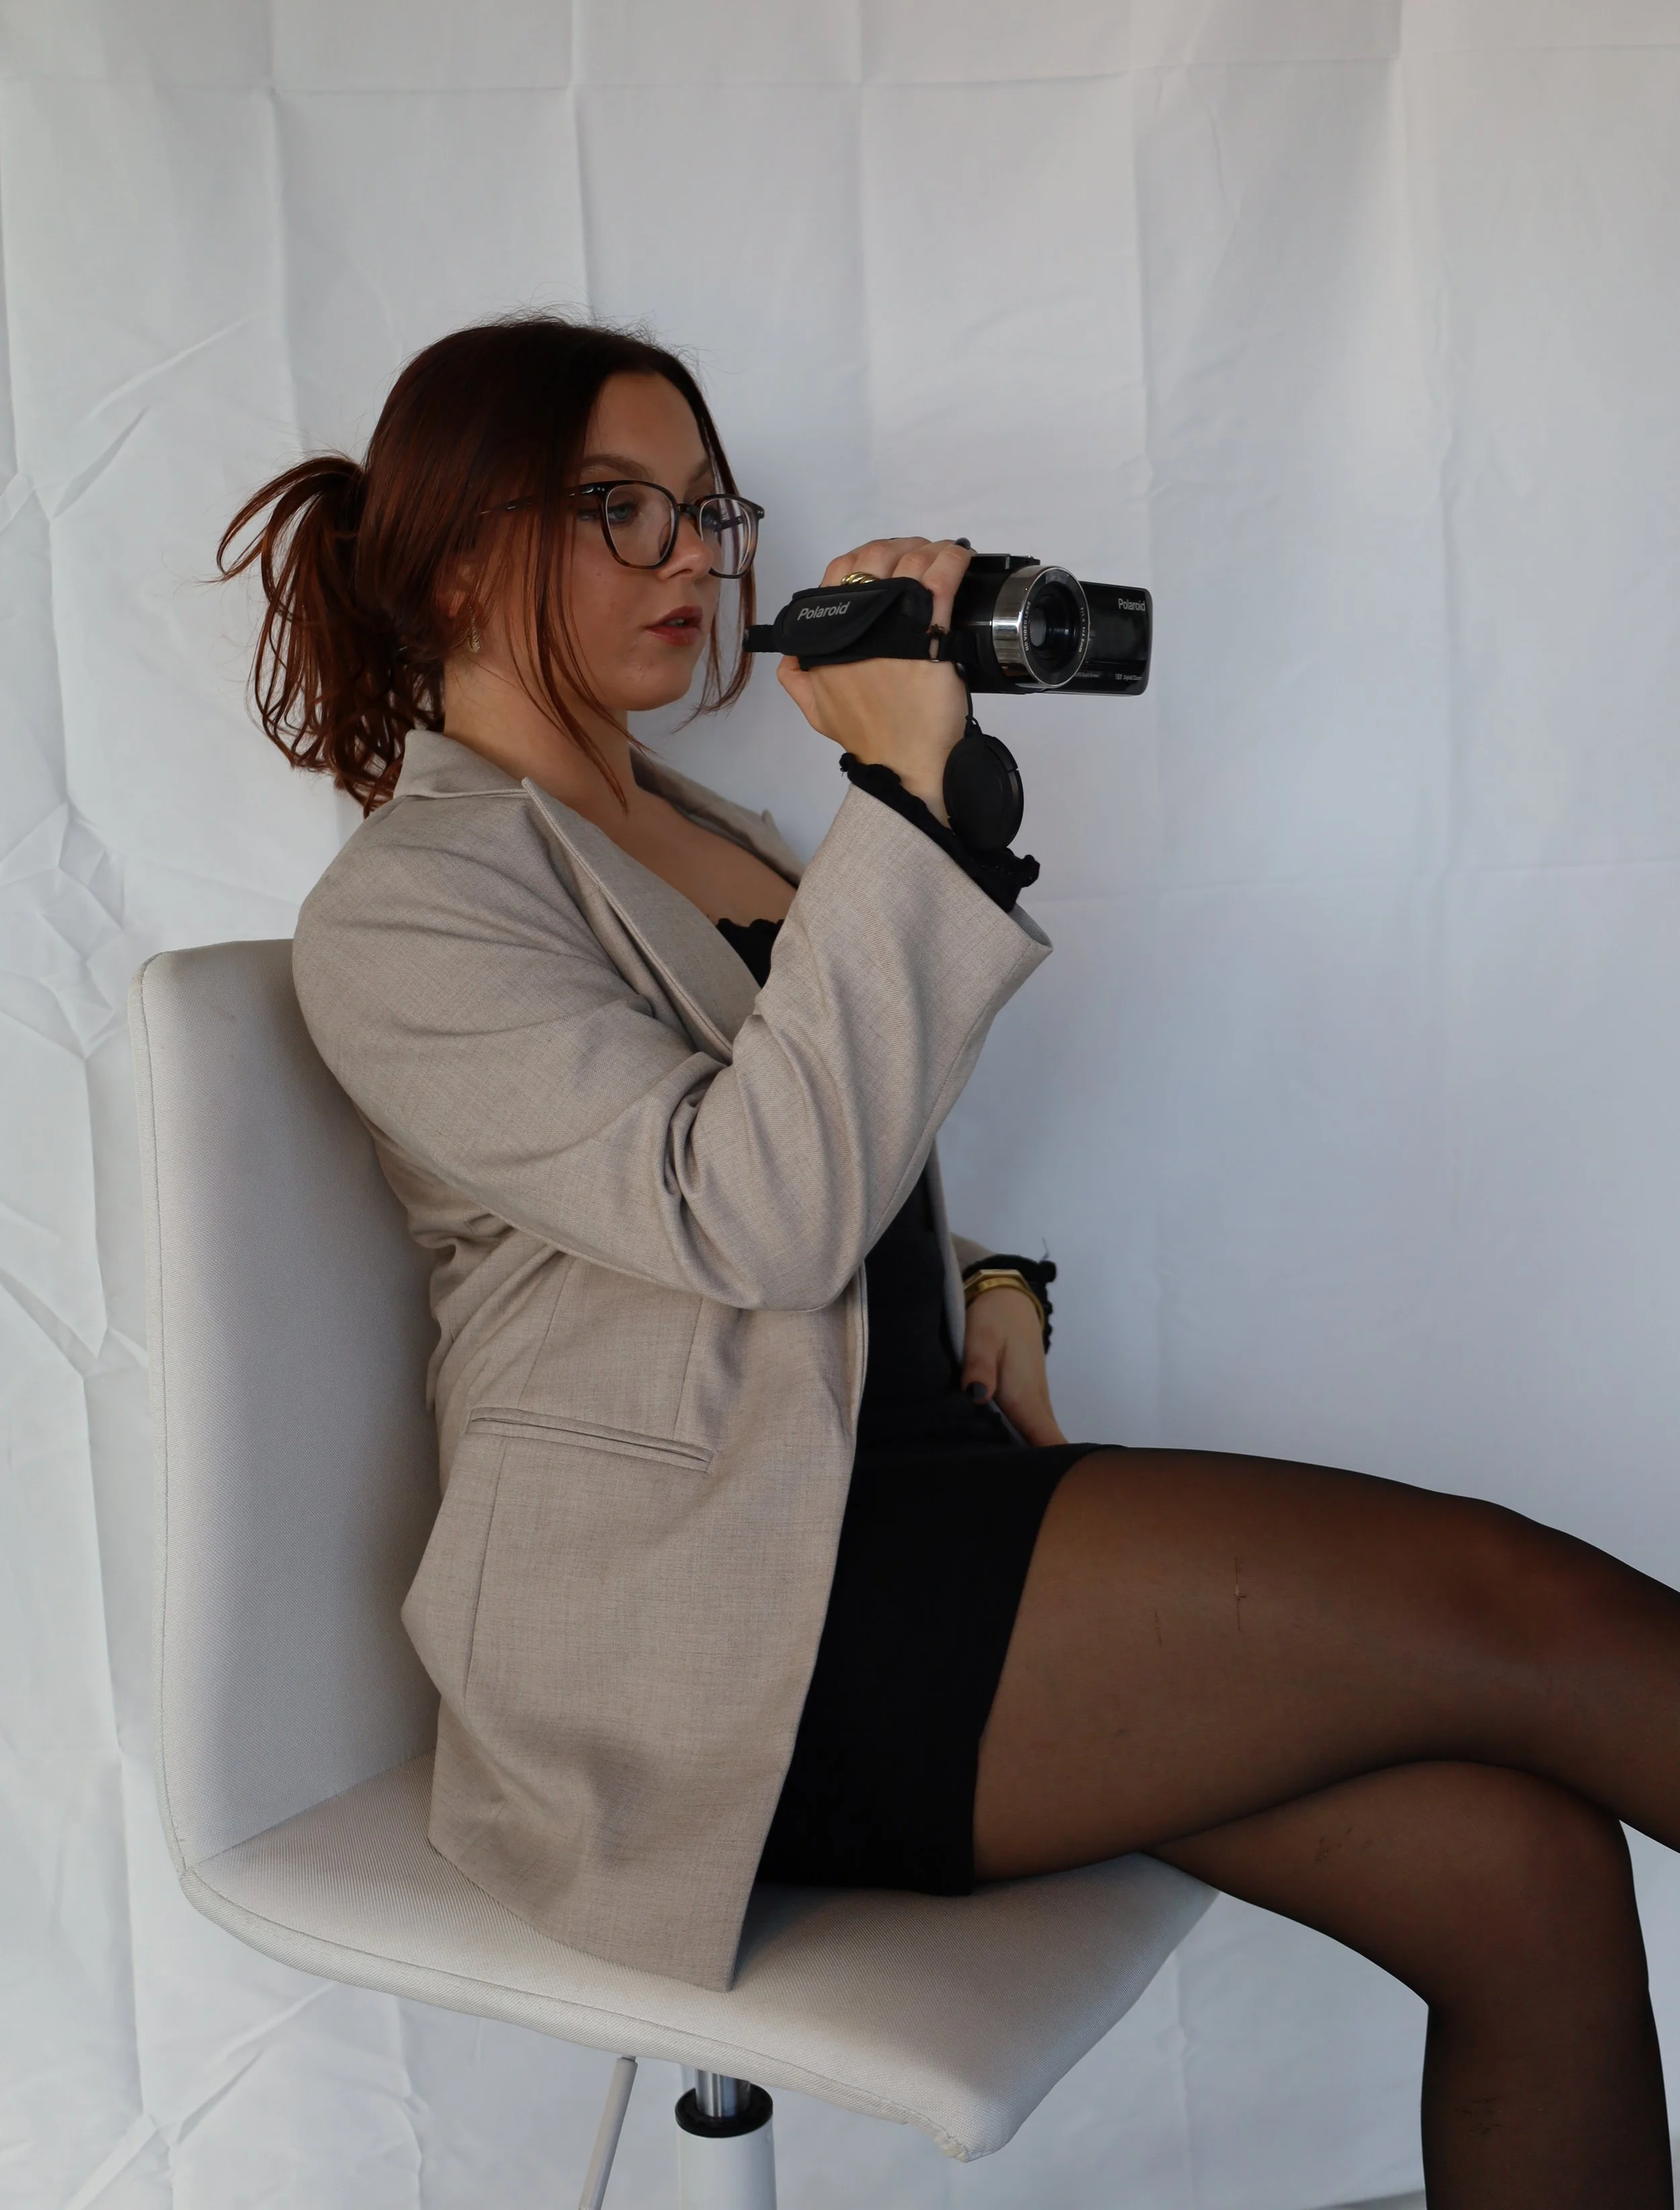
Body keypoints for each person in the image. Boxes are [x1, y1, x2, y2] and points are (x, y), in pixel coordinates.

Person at [223, 314, 1679, 2210]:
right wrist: (906, 799)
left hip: (896, 1505)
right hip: (727, 1631)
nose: (689, 558)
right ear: (452, 552)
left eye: (701, 511)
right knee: (1514, 1607)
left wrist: (994, 1291)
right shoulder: (415, 902)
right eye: (620, 510)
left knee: (1515, 1869)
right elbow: (742, 1207)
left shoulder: (701, 829)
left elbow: (850, 1152)